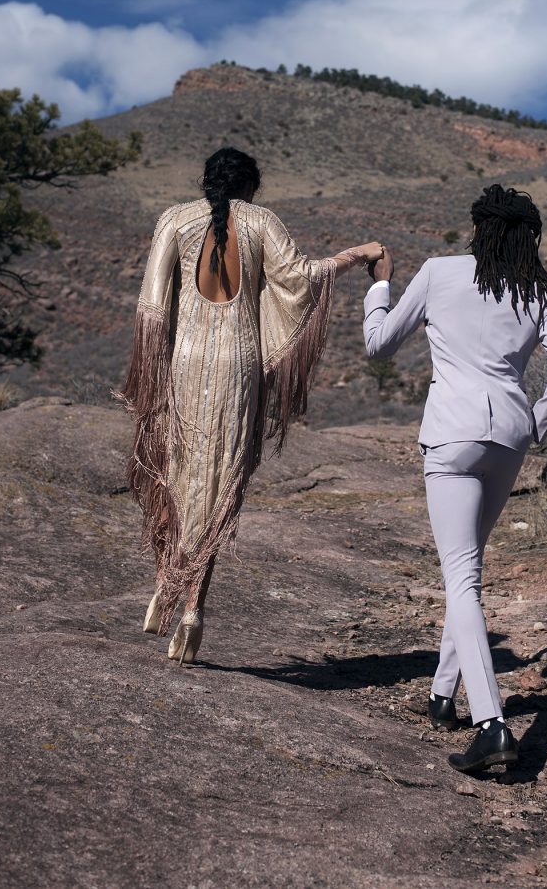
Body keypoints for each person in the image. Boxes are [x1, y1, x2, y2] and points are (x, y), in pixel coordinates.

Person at [118, 147, 382, 664]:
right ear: (251, 186)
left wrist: (150, 378)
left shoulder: (174, 219)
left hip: (186, 360)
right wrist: (356, 255)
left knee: (178, 472)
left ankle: (165, 583)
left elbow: (152, 307)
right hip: (239, 363)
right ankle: (193, 609)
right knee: (222, 484)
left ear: (206, 181)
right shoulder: (262, 222)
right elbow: (301, 278)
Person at [363, 184, 547, 775]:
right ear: (528, 236)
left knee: (461, 578)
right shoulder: (542, 291)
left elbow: (378, 345)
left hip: (452, 433)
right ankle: (441, 695)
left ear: (480, 228)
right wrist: (536, 421)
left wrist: (380, 285)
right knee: (470, 569)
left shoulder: (440, 272)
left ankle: (492, 725)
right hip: (508, 439)